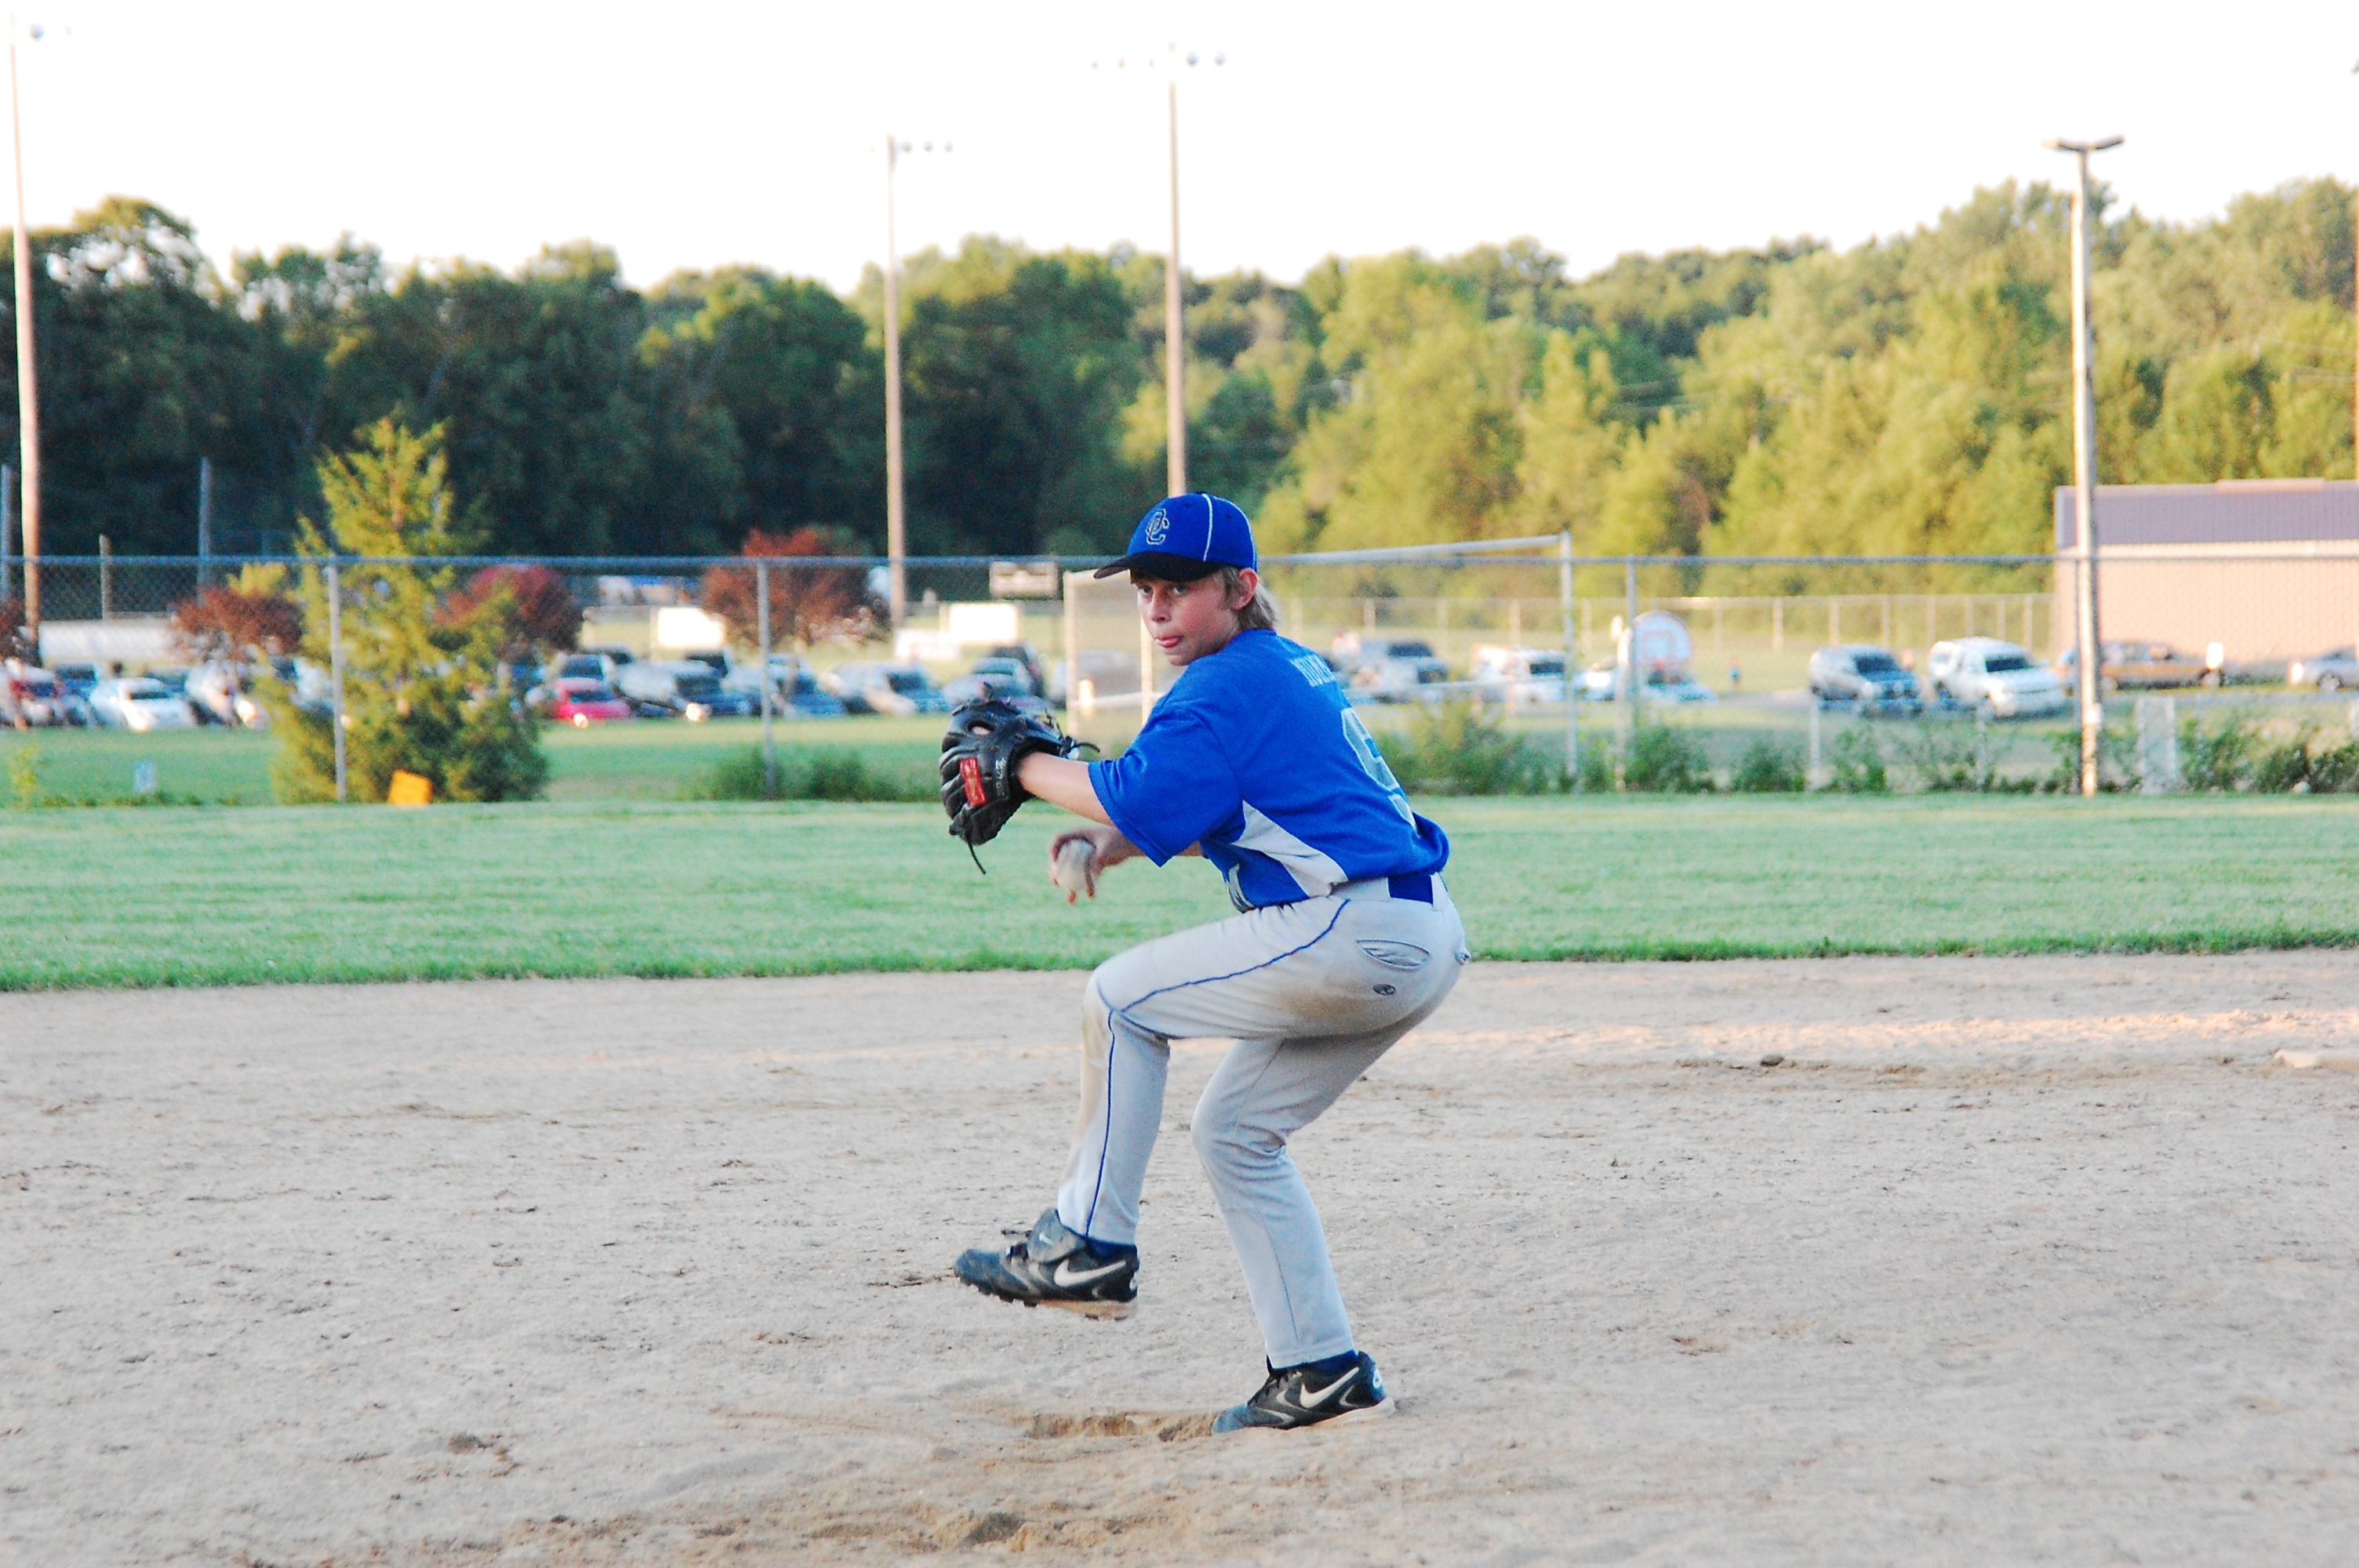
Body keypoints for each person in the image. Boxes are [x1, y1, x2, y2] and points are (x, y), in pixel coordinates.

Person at [952, 493, 1467, 1432]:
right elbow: (1227, 809)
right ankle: (1320, 1370)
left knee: (1118, 1000)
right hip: (1411, 932)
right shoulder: (1277, 666)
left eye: (1180, 588)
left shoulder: (1223, 684)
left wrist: (1020, 767)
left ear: (1239, 588)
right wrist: (1111, 842)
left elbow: (1123, 787)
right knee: (1233, 1131)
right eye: (1145, 589)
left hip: (1351, 929)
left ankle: (1087, 1244)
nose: (1157, 608)